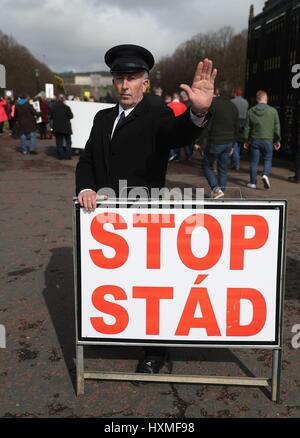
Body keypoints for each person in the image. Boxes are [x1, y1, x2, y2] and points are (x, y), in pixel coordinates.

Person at [76, 44, 217, 374]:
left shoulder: (157, 112)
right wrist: (85, 187)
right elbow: (86, 161)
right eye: (119, 78)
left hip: (144, 218)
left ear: (145, 82)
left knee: (149, 285)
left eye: (132, 78)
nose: (125, 85)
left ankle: (156, 350)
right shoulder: (102, 117)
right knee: (115, 280)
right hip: (106, 221)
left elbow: (176, 134)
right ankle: (115, 328)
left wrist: (198, 113)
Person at [200, 87, 239, 199]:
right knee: (223, 168)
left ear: (218, 92)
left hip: (215, 141)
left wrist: (200, 140)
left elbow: (207, 124)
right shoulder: (233, 107)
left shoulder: (213, 105)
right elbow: (236, 127)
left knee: (206, 166)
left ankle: (216, 189)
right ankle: (221, 190)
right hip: (228, 142)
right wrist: (233, 143)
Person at [244, 90, 281, 189]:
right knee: (268, 159)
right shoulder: (273, 111)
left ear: (257, 99)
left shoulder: (250, 111)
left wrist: (246, 141)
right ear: (266, 99)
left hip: (255, 140)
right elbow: (277, 126)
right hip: (268, 140)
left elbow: (247, 128)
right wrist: (277, 140)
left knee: (254, 162)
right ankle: (265, 174)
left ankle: (253, 182)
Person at [50, 94, 74, 160]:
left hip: (57, 127)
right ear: (63, 100)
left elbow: (51, 117)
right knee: (68, 142)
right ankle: (68, 155)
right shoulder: (67, 107)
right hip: (66, 127)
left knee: (59, 142)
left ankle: (61, 156)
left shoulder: (54, 107)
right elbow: (71, 116)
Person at [231, 87, 249, 170]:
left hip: (234, 123)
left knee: (234, 144)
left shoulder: (232, 102)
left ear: (235, 93)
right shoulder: (246, 102)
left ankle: (236, 163)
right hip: (243, 125)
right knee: (238, 144)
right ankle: (235, 162)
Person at [167, 93, 188, 162]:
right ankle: (177, 156)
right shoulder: (183, 105)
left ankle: (172, 154)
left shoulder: (169, 105)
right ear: (179, 98)